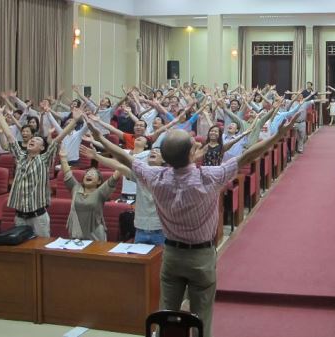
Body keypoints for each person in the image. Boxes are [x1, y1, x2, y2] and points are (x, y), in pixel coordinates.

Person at [88, 112, 300, 337]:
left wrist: (99, 138)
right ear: (192, 153)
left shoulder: (155, 177)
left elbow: (125, 157)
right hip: (201, 257)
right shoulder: (208, 177)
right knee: (202, 315)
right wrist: (279, 135)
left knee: (166, 314)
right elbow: (246, 157)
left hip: (170, 254)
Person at [0, 101, 81, 237]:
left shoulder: (44, 159)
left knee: (41, 248)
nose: (32, 140)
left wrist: (74, 121)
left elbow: (59, 138)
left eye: (37, 140)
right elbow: (10, 136)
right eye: (32, 140)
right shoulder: (21, 156)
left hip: (38, 217)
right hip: (20, 217)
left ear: (42, 148)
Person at [80, 144, 166, 245]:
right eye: (152, 150)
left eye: (157, 151)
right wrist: (96, 156)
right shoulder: (140, 174)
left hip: (161, 231)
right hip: (140, 230)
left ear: (164, 160)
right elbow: (118, 166)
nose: (153, 152)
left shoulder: (169, 176)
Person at [58, 148, 121, 241]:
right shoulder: (76, 188)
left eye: (93, 174)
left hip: (95, 235)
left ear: (99, 181)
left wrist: (122, 160)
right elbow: (67, 173)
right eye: (87, 173)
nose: (89, 175)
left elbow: (115, 177)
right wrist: (63, 158)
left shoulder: (101, 192)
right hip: (76, 234)